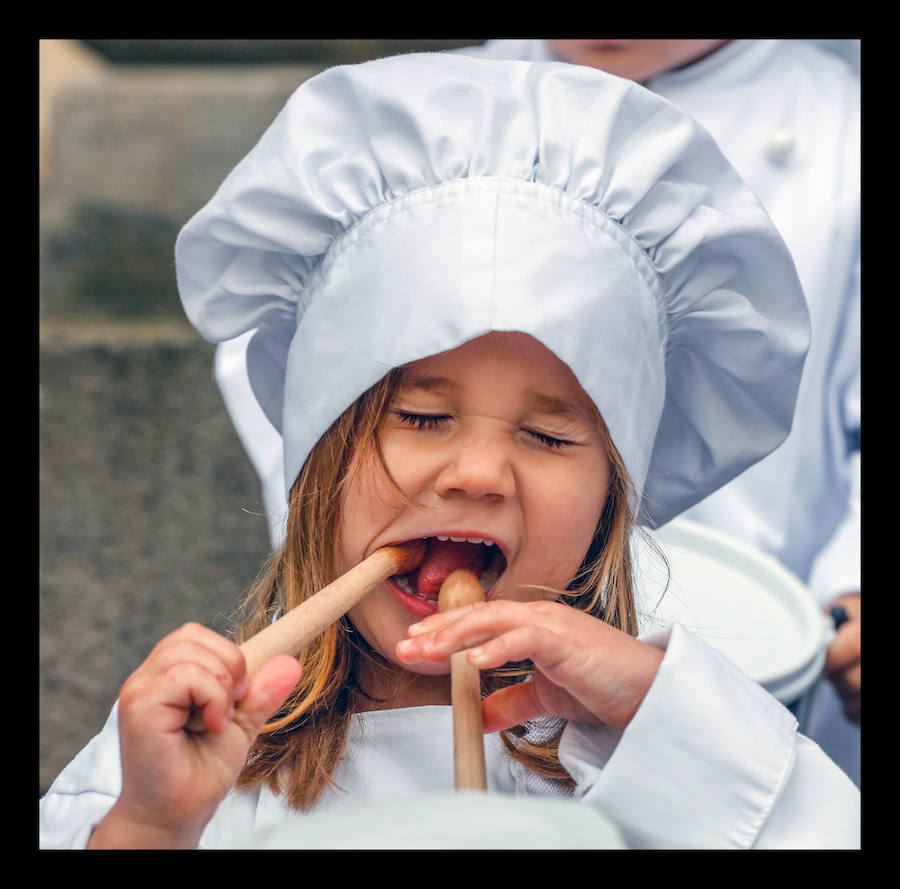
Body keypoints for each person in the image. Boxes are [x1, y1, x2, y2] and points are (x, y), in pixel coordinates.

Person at [39, 53, 860, 849]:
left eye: (546, 435)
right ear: (317, 457)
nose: (476, 475)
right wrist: (148, 830)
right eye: (423, 417)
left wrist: (657, 711)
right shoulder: (194, 748)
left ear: (614, 499)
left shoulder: (653, 762)